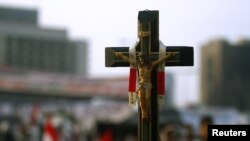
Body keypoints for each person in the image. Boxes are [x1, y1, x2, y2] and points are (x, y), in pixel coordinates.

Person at [115, 52, 176, 120]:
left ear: (145, 59)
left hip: (147, 84)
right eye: (140, 58)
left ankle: (147, 112)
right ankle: (144, 112)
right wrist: (121, 56)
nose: (141, 60)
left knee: (147, 98)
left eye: (142, 58)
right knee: (141, 97)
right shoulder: (138, 65)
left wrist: (168, 56)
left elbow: (160, 60)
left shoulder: (151, 65)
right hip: (141, 84)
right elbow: (128, 60)